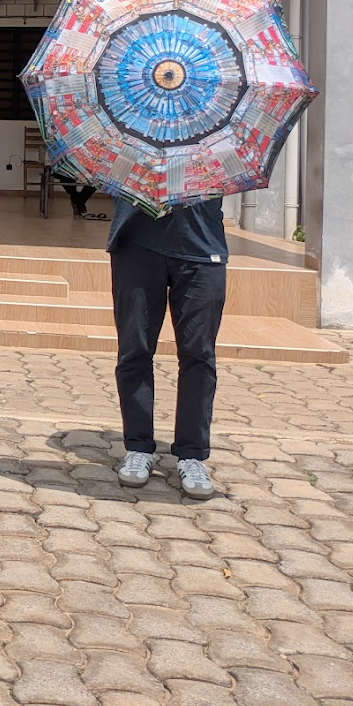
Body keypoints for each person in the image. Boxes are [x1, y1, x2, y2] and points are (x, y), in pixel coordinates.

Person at [107, 196, 227, 500]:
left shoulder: (214, 146)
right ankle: (138, 447)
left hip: (202, 246)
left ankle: (192, 454)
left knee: (199, 355)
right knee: (134, 349)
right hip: (136, 244)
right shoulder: (131, 145)